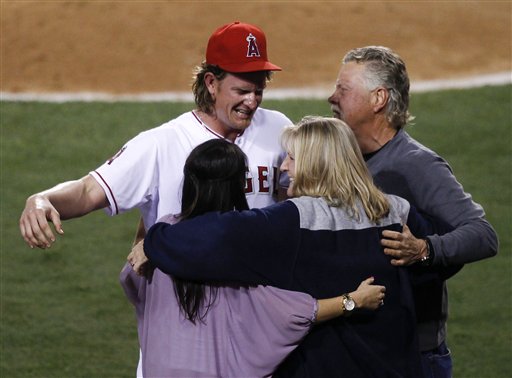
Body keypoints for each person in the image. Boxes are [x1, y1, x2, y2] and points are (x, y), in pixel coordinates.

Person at [19, 21, 292, 376]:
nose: (252, 101)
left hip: (255, 328)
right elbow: (89, 190)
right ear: (211, 83)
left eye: (259, 90)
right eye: (241, 90)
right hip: (186, 329)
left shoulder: (279, 128)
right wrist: (42, 200)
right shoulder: (163, 143)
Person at [130, 116, 443, 377]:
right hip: (396, 366)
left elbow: (210, 238)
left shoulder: (291, 221)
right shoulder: (398, 211)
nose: (284, 168)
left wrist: (156, 240)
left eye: (292, 158)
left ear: (315, 164)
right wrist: (423, 252)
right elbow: (446, 260)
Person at [327, 46, 499, 378]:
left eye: (343, 89)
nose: (331, 97)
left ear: (378, 99)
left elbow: (483, 235)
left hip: (411, 355)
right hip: (359, 344)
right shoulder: (345, 158)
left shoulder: (416, 164)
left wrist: (424, 249)